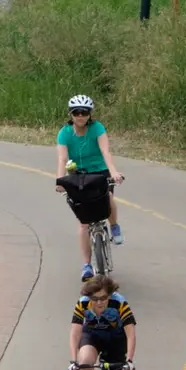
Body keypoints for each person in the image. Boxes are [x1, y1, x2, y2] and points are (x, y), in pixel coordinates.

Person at [53, 93, 125, 278]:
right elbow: (62, 158)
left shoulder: (97, 128)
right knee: (84, 223)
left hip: (100, 172)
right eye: (76, 112)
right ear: (71, 114)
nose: (80, 116)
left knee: (107, 197)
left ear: (89, 114)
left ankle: (114, 225)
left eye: (84, 112)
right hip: (78, 176)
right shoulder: (64, 133)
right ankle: (86, 265)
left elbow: (105, 151)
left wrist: (114, 172)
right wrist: (60, 180)